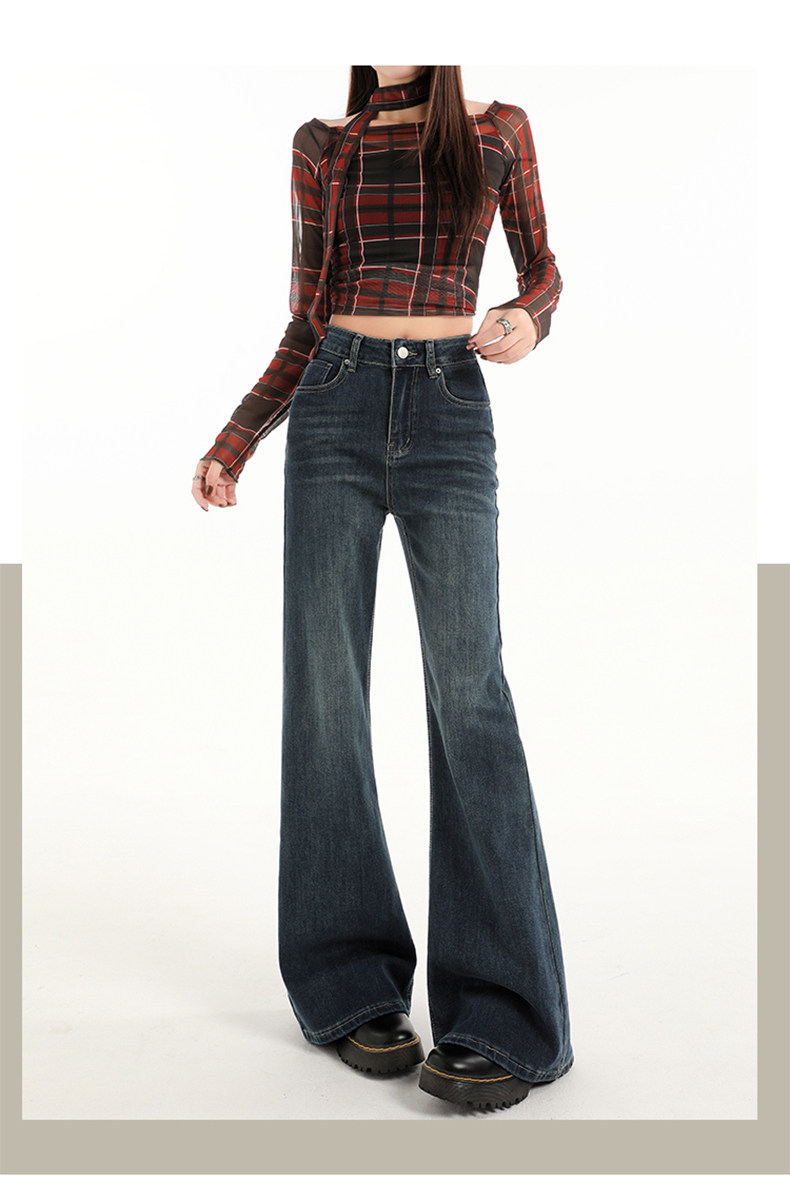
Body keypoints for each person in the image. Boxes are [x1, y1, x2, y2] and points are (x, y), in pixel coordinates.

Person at [191, 65, 573, 1113]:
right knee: (325, 694)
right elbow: (307, 321)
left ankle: (507, 1015)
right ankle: (347, 984)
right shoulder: (325, 144)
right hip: (335, 408)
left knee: (471, 694)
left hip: (451, 408)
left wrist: (527, 317)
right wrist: (235, 441)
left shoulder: (497, 129)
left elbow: (544, 270)